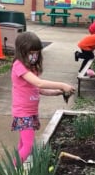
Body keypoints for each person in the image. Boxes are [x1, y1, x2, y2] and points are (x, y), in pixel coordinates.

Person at [11, 32, 76, 165]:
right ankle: (13, 171)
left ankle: (15, 166)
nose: (34, 56)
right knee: (28, 148)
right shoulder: (19, 66)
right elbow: (39, 83)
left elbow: (39, 89)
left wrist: (58, 92)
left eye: (36, 53)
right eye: (31, 53)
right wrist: (62, 85)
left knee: (23, 144)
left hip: (31, 112)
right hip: (23, 113)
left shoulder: (31, 69)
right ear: (22, 52)